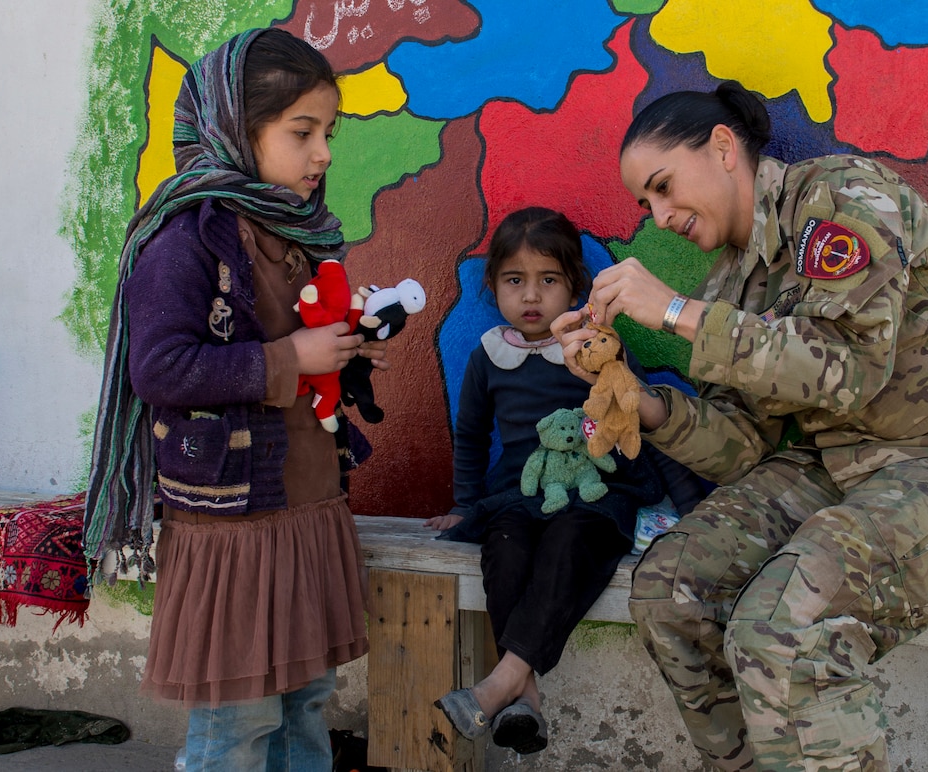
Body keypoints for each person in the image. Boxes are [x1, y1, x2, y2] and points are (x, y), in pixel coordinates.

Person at [551, 81, 928, 771]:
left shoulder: (839, 196)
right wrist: (640, 402)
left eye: (664, 187)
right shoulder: (732, 284)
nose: (660, 215)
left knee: (784, 628)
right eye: (646, 204)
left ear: (723, 148)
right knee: (670, 593)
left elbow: (846, 371)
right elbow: (742, 447)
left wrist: (672, 312)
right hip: (836, 470)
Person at [82, 28, 388, 770]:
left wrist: (347, 346)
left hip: (304, 511)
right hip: (234, 528)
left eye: (329, 133)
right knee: (236, 727)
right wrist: (289, 357)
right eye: (302, 132)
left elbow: (304, 344)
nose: (323, 153)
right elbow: (159, 369)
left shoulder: (297, 232)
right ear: (233, 131)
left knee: (305, 711)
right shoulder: (186, 238)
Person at [425, 206, 702, 755]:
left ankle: (504, 686)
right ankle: (524, 695)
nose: (531, 296)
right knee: (503, 554)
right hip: (519, 496)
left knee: (569, 546)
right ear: (495, 287)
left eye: (547, 281)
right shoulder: (489, 358)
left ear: (573, 287)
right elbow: (472, 435)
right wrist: (465, 504)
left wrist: (694, 508)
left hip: (596, 496)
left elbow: (645, 416)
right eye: (514, 281)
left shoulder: (593, 348)